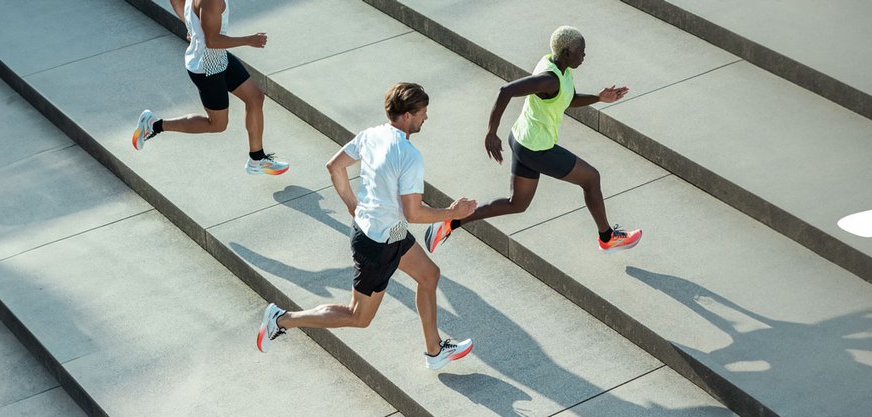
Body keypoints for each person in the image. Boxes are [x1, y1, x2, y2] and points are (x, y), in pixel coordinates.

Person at [257, 83, 478, 371]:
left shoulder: (371, 135)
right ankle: (281, 319)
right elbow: (413, 212)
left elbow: (334, 167)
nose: (426, 117)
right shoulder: (409, 156)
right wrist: (451, 213)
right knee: (358, 316)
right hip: (377, 245)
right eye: (424, 112)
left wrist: (351, 204)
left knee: (429, 275)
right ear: (409, 115)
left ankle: (434, 351)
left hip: (388, 230)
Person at [425, 25, 640, 255]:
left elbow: (567, 99)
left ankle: (450, 221)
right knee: (591, 178)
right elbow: (505, 91)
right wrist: (490, 132)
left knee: (516, 204)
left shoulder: (560, 68)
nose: (584, 55)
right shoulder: (549, 79)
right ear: (567, 53)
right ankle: (607, 238)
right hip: (537, 149)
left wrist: (598, 97)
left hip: (522, 140)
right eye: (581, 51)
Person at [130, 0, 289, 176]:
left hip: (218, 58)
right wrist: (249, 40)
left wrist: (192, 27)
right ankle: (154, 125)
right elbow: (213, 41)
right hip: (207, 67)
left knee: (255, 97)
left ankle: (257, 159)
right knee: (217, 124)